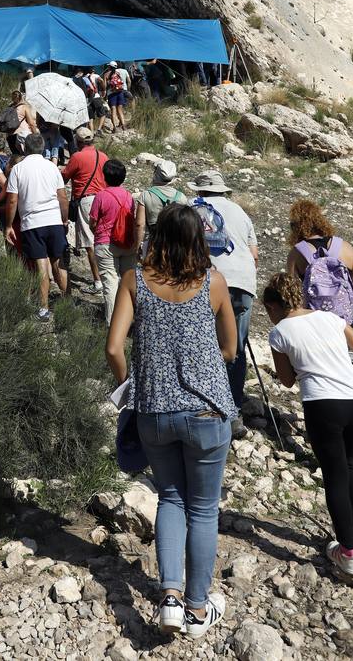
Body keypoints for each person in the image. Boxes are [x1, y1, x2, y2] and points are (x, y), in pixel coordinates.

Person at [106, 204, 237, 636]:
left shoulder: (134, 281)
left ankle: (170, 599)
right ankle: (198, 609)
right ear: (200, 239)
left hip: (155, 409)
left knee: (171, 500)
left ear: (158, 235)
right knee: (203, 509)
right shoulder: (214, 283)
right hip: (206, 411)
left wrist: (134, 386)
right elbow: (230, 350)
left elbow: (113, 349)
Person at [264, 272, 353, 576]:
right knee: (350, 464)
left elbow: (286, 381)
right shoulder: (330, 318)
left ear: (273, 307)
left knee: (334, 473)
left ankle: (349, 553)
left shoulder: (279, 332)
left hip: (323, 405)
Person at [188, 170, 258, 430]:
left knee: (205, 343)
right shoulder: (240, 212)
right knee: (236, 349)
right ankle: (234, 409)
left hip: (211, 281)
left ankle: (205, 404)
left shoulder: (194, 208)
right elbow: (254, 254)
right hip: (244, 282)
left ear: (200, 190)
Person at [5, 132, 69, 321]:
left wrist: (8, 225)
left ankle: (43, 308)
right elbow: (63, 197)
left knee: (41, 265)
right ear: (42, 148)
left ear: (25, 148)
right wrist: (64, 220)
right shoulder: (52, 167)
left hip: (32, 222)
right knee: (59, 262)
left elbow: (12, 201)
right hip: (53, 219)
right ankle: (68, 303)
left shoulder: (18, 169)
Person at [286, 199, 353, 338]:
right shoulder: (346, 247)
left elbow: (294, 297)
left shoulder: (296, 253)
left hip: (318, 329)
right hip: (351, 326)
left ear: (297, 226)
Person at [89, 159, 136, 326]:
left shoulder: (101, 196)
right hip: (127, 244)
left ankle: (112, 323)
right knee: (128, 282)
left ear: (105, 176)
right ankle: (129, 321)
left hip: (106, 243)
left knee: (110, 283)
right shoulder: (129, 196)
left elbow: (93, 221)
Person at [62, 127, 108, 294]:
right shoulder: (103, 156)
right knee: (104, 240)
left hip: (87, 200)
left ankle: (97, 282)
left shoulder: (77, 157)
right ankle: (108, 276)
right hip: (104, 198)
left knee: (90, 243)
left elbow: (64, 177)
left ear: (78, 142)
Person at [135, 160, 186, 257]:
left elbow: (140, 224)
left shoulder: (146, 195)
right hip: (176, 245)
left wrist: (137, 247)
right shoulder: (181, 197)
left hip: (153, 243)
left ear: (156, 174)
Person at [6, 90, 37, 154]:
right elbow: (31, 123)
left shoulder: (8, 108)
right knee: (26, 156)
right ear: (21, 98)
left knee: (16, 157)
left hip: (10, 136)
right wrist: (35, 134)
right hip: (22, 134)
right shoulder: (24, 107)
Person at [103, 62, 128, 132]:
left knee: (113, 110)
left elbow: (104, 86)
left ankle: (115, 128)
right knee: (120, 110)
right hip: (120, 92)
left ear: (109, 67)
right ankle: (123, 126)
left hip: (111, 94)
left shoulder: (106, 74)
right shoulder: (117, 73)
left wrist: (104, 93)